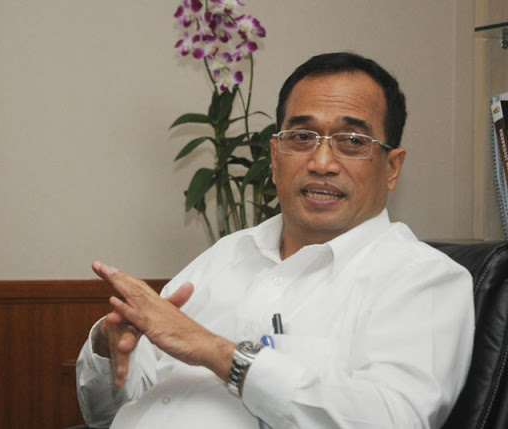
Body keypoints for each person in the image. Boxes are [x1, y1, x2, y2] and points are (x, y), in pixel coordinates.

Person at [76, 52, 475, 429]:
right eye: (301, 137)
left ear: (392, 167)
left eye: (353, 141)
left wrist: (218, 352)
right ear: (275, 155)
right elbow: (103, 412)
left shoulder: (424, 279)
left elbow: (392, 419)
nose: (321, 163)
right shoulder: (229, 253)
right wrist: (109, 352)